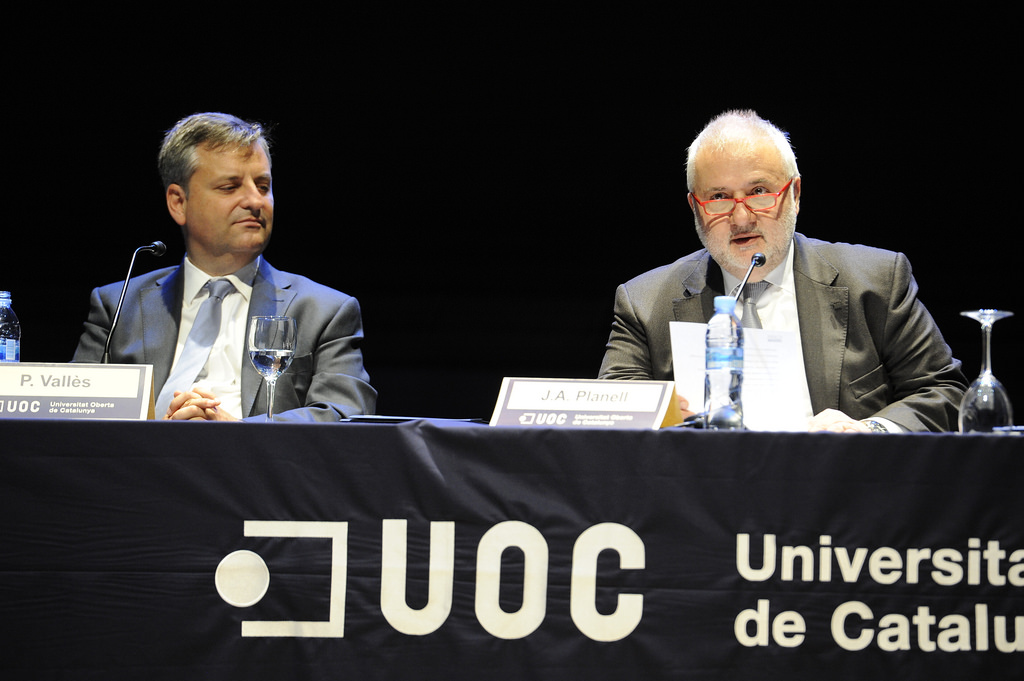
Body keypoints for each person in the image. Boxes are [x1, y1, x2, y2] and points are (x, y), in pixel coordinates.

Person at [598, 110, 966, 432]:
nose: (741, 218)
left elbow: (943, 392)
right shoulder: (645, 303)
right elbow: (611, 417)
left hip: (839, 481)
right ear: (695, 207)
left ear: (795, 194)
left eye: (759, 191)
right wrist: (664, 419)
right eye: (719, 197)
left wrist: (868, 430)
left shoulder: (876, 281)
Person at [73, 112, 376, 422]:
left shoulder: (324, 312)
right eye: (230, 187)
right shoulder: (118, 307)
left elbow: (345, 415)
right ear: (178, 202)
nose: (255, 201)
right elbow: (73, 415)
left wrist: (235, 433)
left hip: (255, 454)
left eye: (263, 186)